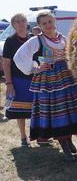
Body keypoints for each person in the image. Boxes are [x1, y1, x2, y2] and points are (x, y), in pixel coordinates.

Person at [14, 11, 77, 161]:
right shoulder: (37, 40)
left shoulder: (63, 38)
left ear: (54, 21)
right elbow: (20, 56)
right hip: (50, 81)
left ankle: (68, 139)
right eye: (44, 23)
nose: (48, 25)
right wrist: (35, 68)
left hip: (67, 78)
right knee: (57, 113)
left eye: (50, 22)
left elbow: (74, 54)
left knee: (69, 110)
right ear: (39, 26)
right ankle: (65, 146)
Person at [2, 13, 34, 146]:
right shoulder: (10, 40)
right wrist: (9, 83)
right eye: (17, 21)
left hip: (35, 79)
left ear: (27, 23)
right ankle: (23, 137)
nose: (21, 23)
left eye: (23, 20)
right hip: (18, 80)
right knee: (20, 111)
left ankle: (38, 135)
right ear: (13, 25)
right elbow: (6, 63)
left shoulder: (33, 39)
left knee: (36, 109)